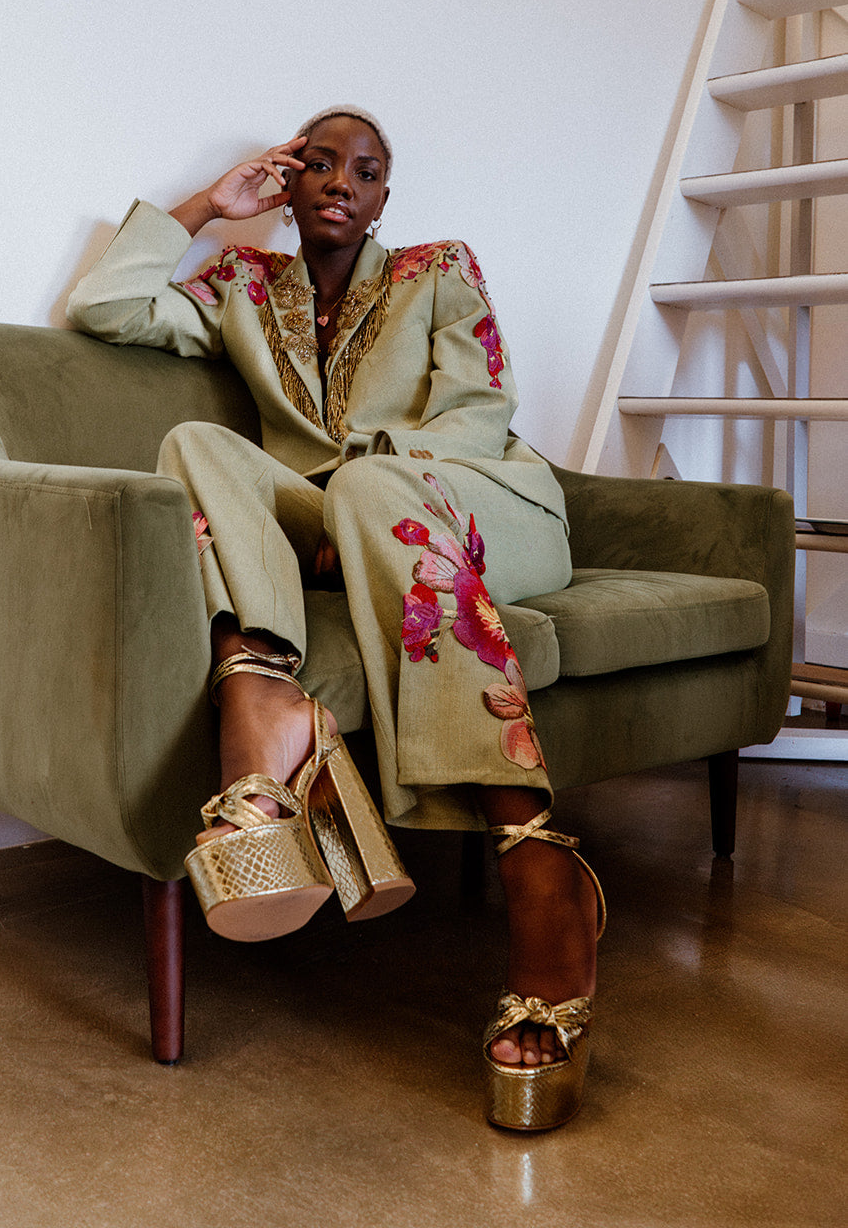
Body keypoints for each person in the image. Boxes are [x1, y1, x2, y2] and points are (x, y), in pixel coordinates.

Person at [66, 106, 604, 1130]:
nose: (340, 182)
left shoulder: (439, 269)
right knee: (193, 444)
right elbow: (104, 305)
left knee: (366, 489)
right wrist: (209, 206)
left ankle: (535, 855)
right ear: (287, 179)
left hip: (483, 506)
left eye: (363, 170)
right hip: (338, 518)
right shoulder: (242, 283)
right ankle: (266, 697)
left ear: (382, 197)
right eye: (318, 163)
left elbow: (478, 413)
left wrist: (362, 490)